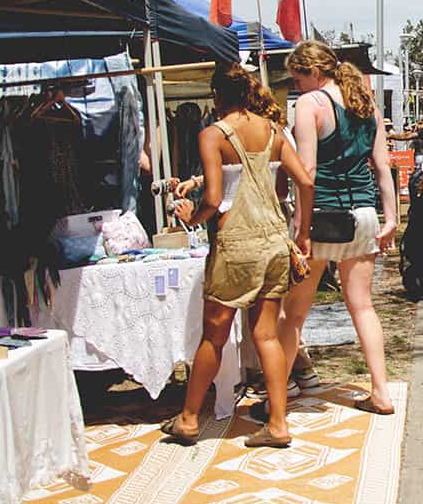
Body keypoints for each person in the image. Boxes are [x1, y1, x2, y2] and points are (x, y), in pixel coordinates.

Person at [161, 62, 314, 447]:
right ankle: (278, 423)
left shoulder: (213, 135)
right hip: (275, 240)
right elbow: (304, 182)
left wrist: (192, 217)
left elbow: (214, 198)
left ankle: (189, 417)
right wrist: (303, 232)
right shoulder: (274, 131)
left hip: (235, 243)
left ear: (216, 97)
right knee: (266, 333)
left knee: (214, 335)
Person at [278, 40, 400, 416]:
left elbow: (307, 173)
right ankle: (380, 391)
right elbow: (382, 165)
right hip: (363, 215)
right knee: (362, 306)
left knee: (293, 313)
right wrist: (392, 218)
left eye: (297, 77)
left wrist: (299, 227)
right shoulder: (366, 105)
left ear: (313, 72)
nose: (295, 86)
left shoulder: (309, 105)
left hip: (322, 219)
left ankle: (277, 399)